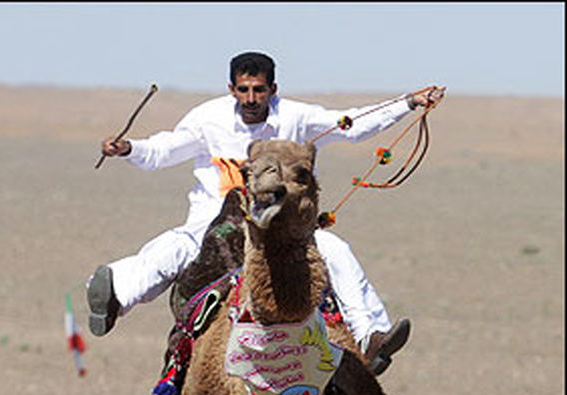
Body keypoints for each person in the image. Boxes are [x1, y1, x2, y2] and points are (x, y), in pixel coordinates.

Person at [88, 51, 444, 375]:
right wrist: (129, 148)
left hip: (283, 226)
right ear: (232, 88)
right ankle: (113, 292)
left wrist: (408, 103)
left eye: (259, 90)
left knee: (336, 251)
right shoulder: (207, 118)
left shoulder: (296, 117)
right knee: (175, 249)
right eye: (243, 90)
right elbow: (165, 149)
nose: (251, 99)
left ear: (273, 88)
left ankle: (371, 338)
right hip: (215, 221)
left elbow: (352, 124)